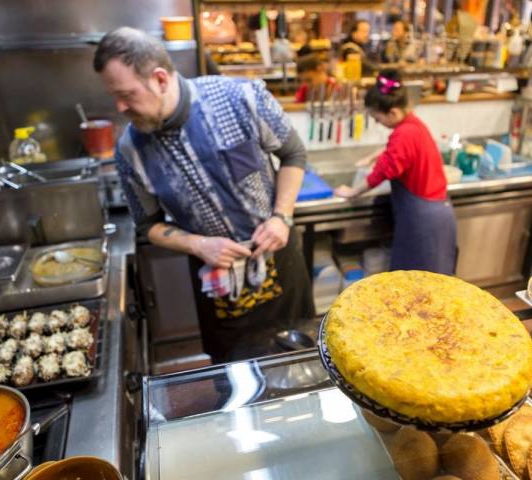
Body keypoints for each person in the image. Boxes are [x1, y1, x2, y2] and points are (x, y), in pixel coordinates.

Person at [93, 27, 314, 363]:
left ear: (160, 79)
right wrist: (199, 245)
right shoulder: (130, 152)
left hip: (279, 259)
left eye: (127, 94)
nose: (120, 106)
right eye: (113, 96)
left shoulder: (241, 98)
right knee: (233, 371)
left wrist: (281, 216)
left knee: (299, 358)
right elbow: (147, 226)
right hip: (216, 277)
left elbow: (294, 154)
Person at [334, 69, 457, 274]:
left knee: (418, 286)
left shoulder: (404, 133)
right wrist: (375, 155)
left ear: (393, 113)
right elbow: (400, 152)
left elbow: (383, 171)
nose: (377, 123)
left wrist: (353, 192)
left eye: (377, 118)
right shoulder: (412, 123)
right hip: (436, 214)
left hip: (423, 222)